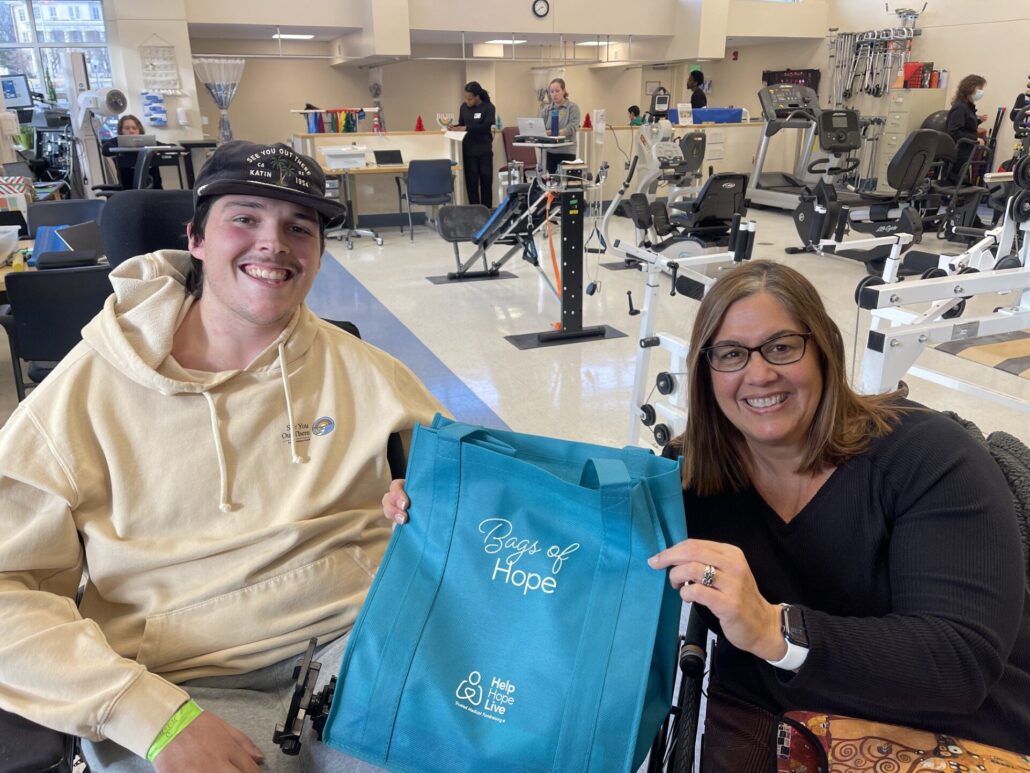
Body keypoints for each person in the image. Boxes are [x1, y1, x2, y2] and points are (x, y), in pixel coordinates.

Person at [381, 260, 1030, 769]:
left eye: (782, 346)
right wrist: (448, 505)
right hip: (776, 726)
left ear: (825, 350)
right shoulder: (694, 479)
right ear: (705, 373)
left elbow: (960, 664)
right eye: (731, 354)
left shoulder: (928, 456)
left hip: (953, 732)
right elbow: (568, 531)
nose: (759, 374)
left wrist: (775, 629)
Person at [0, 140, 445, 772]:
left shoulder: (368, 372)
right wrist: (147, 714)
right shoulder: (82, 395)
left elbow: (485, 492)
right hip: (174, 680)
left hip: (358, 644)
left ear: (319, 254)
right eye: (245, 218)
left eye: (299, 227)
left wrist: (432, 505)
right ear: (196, 239)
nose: (274, 244)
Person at [449, 81, 496, 208]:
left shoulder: (488, 108)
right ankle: (474, 212)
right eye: (466, 98)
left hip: (484, 151)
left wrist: (465, 128)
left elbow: (485, 127)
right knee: (471, 184)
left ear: (477, 96)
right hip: (469, 151)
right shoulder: (464, 107)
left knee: (486, 183)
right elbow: (462, 123)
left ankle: (487, 211)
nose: (467, 101)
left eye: (470, 99)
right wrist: (454, 127)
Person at [100, 114, 163, 190]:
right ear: (121, 130)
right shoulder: (117, 142)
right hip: (129, 190)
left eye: (134, 128)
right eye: (127, 128)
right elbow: (105, 149)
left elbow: (171, 146)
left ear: (139, 130)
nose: (131, 131)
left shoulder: (148, 141)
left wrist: (157, 149)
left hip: (155, 190)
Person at [946, 73, 988, 185]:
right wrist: (975, 139)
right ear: (970, 88)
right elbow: (954, 131)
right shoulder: (960, 107)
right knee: (955, 182)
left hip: (966, 151)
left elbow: (967, 124)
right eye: (979, 88)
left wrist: (978, 120)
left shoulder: (968, 107)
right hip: (958, 153)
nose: (981, 92)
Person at [538, 77, 581, 174]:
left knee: (564, 181)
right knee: (548, 181)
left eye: (557, 91)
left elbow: (571, 128)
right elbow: (540, 129)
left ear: (564, 91)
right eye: (552, 91)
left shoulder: (572, 108)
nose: (554, 94)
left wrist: (551, 133)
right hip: (548, 153)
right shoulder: (546, 110)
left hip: (566, 152)